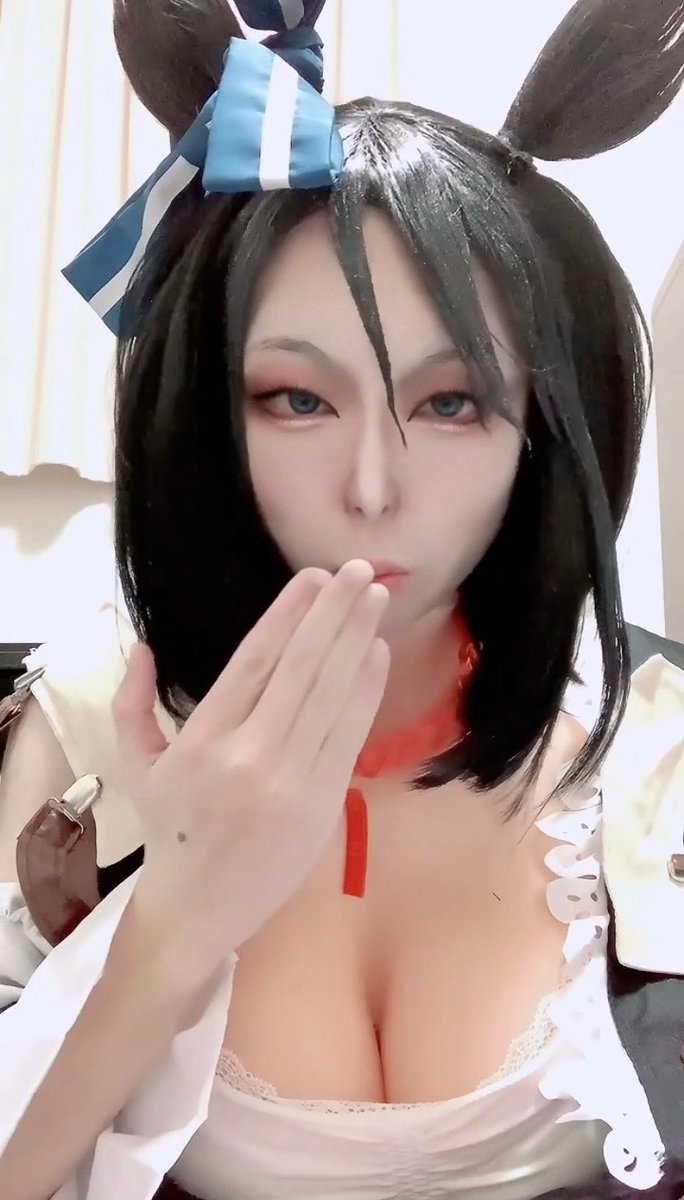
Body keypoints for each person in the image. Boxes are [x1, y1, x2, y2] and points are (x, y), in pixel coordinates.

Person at [0, 0, 683, 1197]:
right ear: (208, 415)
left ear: (544, 428)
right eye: (298, 401)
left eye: (452, 403)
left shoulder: (651, 749)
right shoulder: (90, 727)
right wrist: (172, 927)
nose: (373, 488)